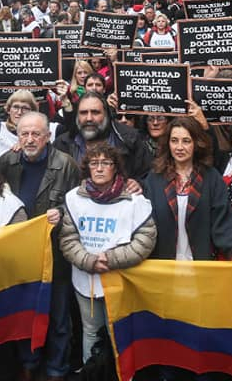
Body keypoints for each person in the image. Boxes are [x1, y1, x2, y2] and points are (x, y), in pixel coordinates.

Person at [0, 112, 79, 381]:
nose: (30, 139)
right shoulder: (5, 162)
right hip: (18, 257)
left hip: (54, 255)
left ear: (48, 137)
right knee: (22, 314)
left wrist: (62, 213)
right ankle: (28, 365)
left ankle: (56, 370)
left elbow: (80, 205)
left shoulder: (66, 164)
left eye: (36, 134)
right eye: (24, 134)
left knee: (58, 317)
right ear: (17, 136)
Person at [59, 143, 156, 363]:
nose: (100, 168)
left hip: (121, 278)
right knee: (91, 331)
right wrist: (88, 261)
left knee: (119, 334)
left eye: (106, 163)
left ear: (115, 167)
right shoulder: (74, 198)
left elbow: (145, 240)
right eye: (94, 163)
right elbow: (68, 238)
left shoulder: (134, 200)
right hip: (86, 277)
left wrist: (112, 259)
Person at [143, 116, 232, 261]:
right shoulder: (154, 179)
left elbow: (224, 221)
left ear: (197, 143)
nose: (179, 147)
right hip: (163, 267)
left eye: (186, 141)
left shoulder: (211, 178)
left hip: (200, 266)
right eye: (174, 140)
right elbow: (144, 225)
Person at [53, 92, 153, 181]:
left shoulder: (130, 139)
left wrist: (139, 184)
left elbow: (148, 175)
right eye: (83, 113)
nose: (89, 118)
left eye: (95, 112)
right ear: (77, 116)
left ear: (106, 115)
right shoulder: (62, 144)